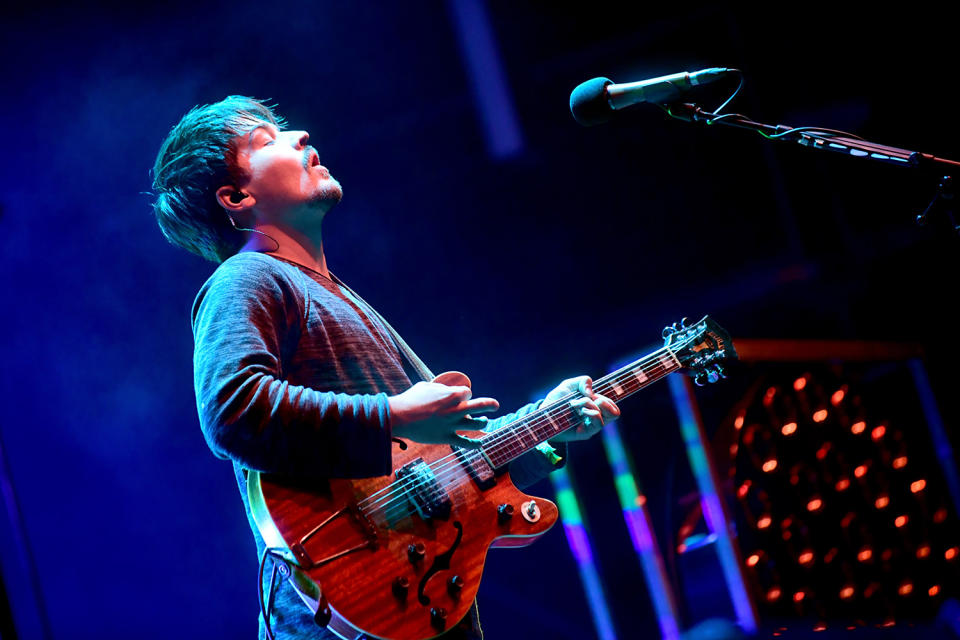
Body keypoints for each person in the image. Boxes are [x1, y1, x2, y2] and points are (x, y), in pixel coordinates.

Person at [151, 95, 620, 639]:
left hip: (417, 604)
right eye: (265, 138)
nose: (299, 134)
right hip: (341, 610)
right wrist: (393, 414)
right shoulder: (247, 279)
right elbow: (234, 411)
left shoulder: (333, 293)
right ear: (236, 195)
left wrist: (549, 424)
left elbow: (447, 475)